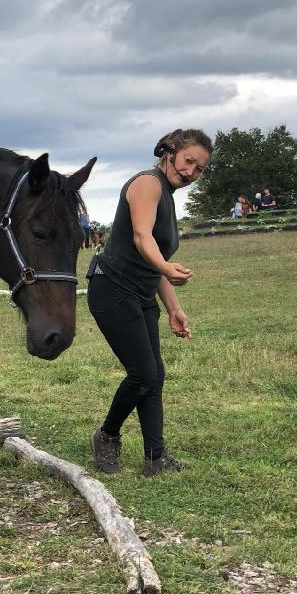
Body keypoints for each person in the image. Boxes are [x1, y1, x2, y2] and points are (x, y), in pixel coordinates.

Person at [87, 128, 212, 476]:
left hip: (140, 293)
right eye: (189, 161)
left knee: (154, 374)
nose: (190, 172)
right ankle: (107, 435)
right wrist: (165, 266)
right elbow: (143, 239)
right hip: (111, 289)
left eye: (199, 169)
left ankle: (156, 457)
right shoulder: (148, 183)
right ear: (169, 151)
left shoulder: (167, 195)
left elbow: (152, 259)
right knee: (143, 374)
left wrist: (174, 307)